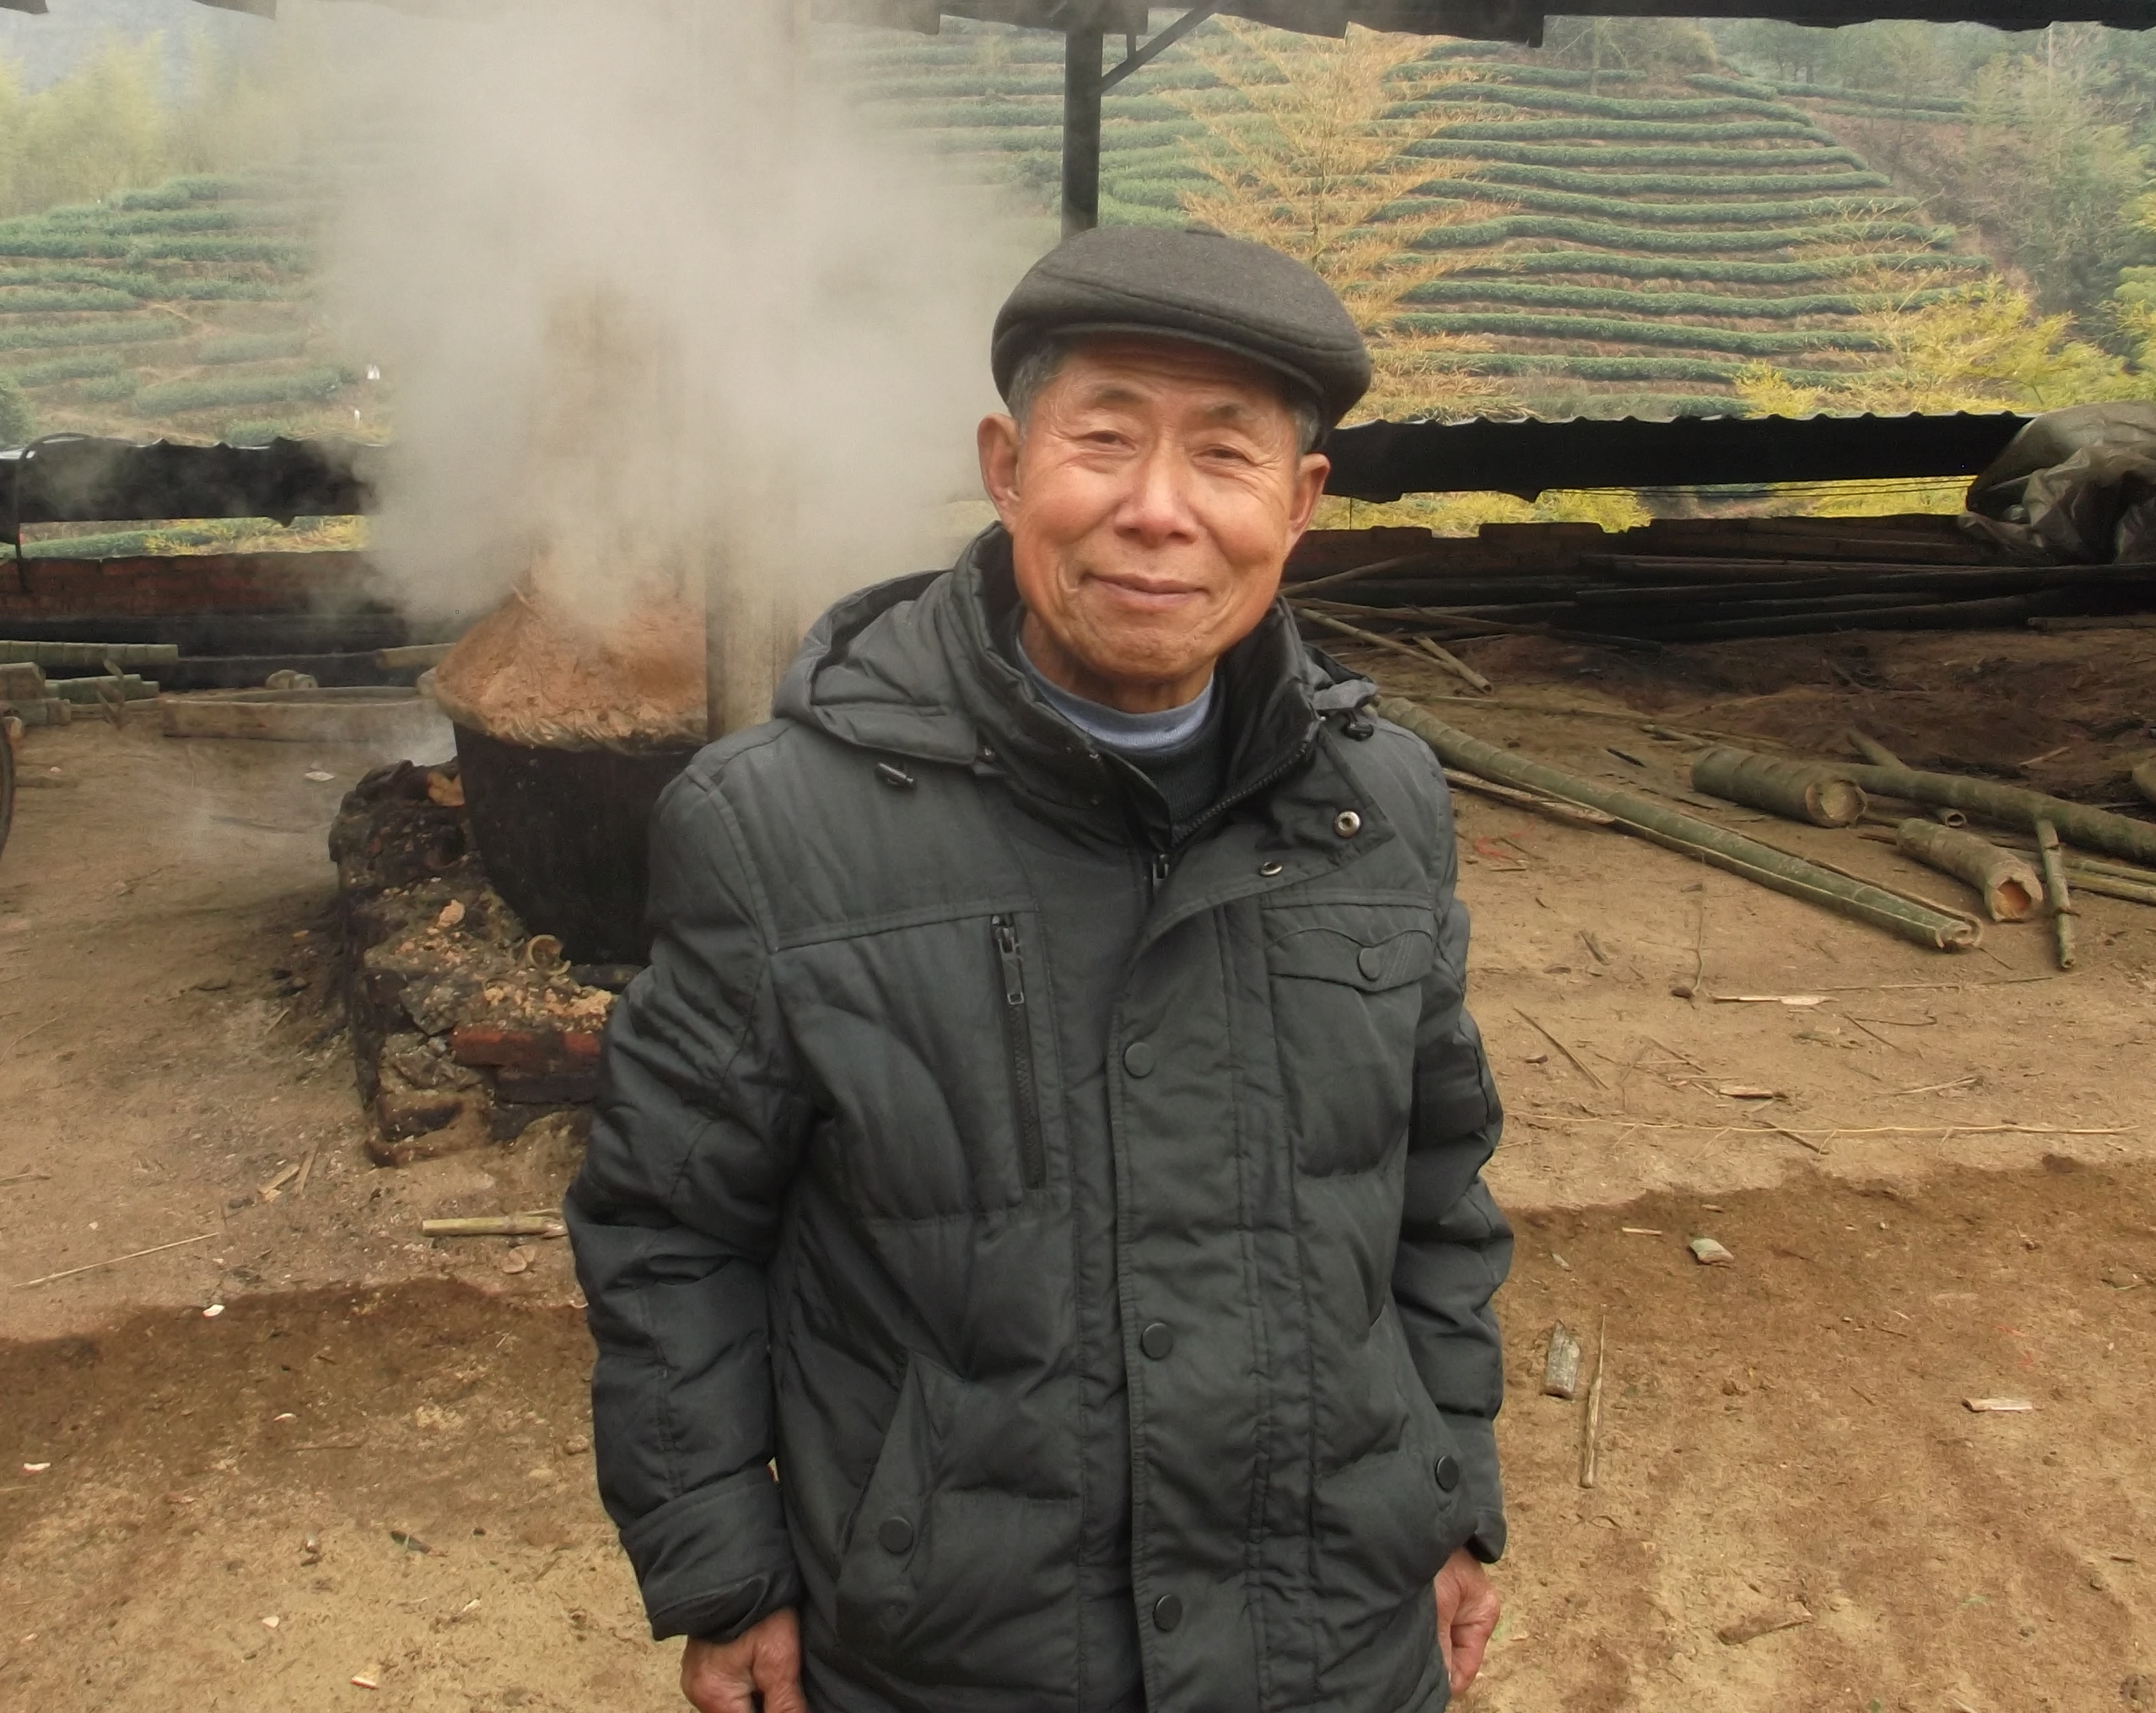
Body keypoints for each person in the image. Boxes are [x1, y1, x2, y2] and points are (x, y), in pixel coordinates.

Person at [570, 224, 1509, 1713]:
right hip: (956, 1656)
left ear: (1301, 501)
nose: (1157, 511)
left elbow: (1435, 1198)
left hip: (1330, 1645)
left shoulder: (1377, 805)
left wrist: (1453, 1493)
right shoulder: (779, 827)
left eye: (1223, 456)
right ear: (1008, 467)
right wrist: (724, 1565)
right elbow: (671, 1231)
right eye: (1106, 441)